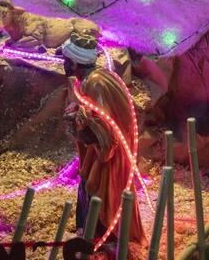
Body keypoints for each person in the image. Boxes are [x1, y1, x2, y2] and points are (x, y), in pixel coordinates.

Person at [62, 33, 146, 247]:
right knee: (87, 189)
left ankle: (105, 239)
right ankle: (94, 235)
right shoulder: (94, 78)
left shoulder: (97, 83)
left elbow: (105, 129)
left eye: (66, 60)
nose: (63, 64)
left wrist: (79, 120)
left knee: (99, 194)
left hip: (108, 158)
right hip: (97, 154)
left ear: (74, 62)